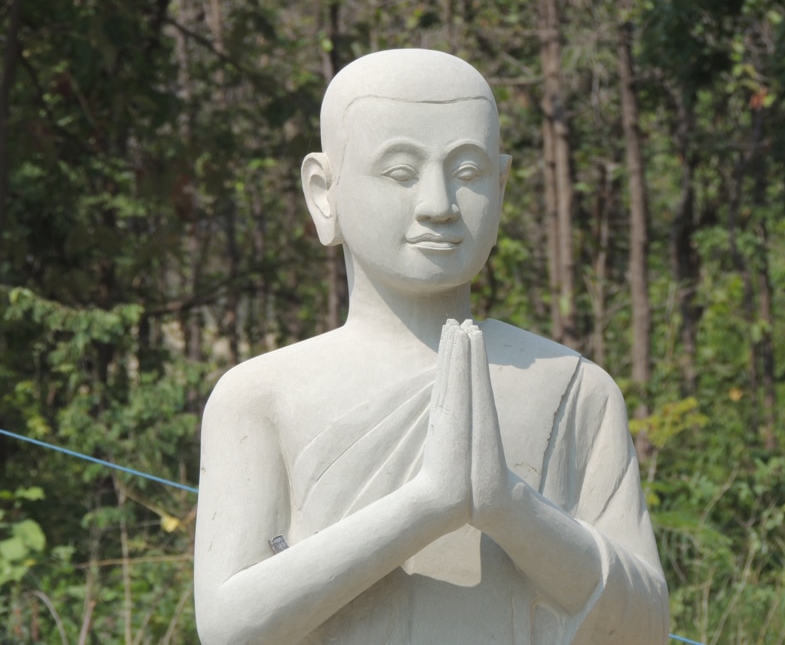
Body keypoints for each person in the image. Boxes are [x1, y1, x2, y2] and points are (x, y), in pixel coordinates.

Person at [194, 49, 669, 644]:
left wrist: (511, 508)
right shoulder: (261, 396)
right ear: (324, 191)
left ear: (502, 183)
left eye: (468, 173)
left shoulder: (573, 388)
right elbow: (228, 627)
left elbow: (646, 625)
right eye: (400, 172)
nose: (438, 205)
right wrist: (424, 506)